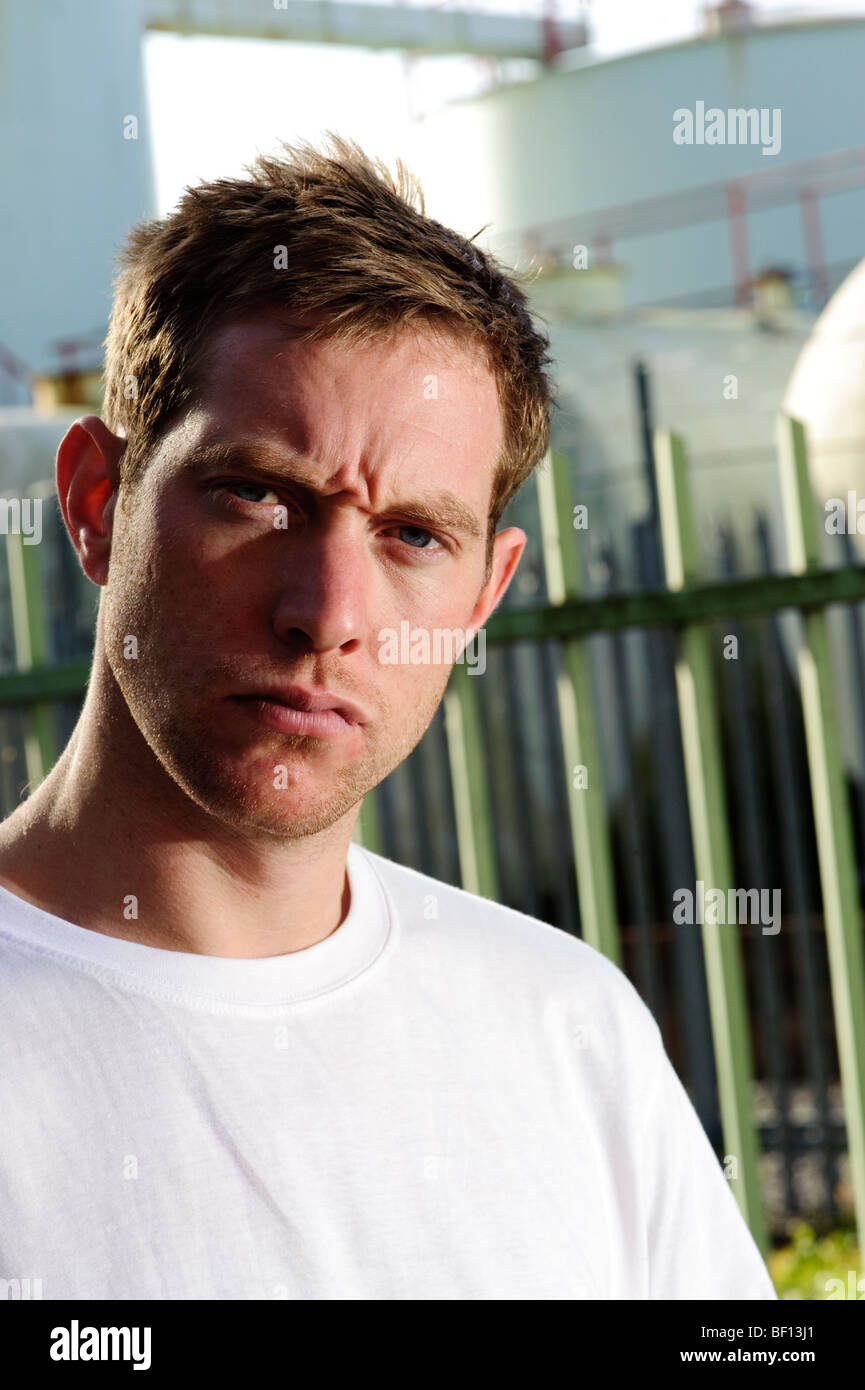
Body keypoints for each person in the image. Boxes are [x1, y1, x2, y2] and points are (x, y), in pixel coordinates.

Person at [0, 133, 776, 1301]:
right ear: (98, 504)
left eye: (413, 534)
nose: (328, 614)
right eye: (259, 495)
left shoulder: (569, 1031)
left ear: (482, 596)